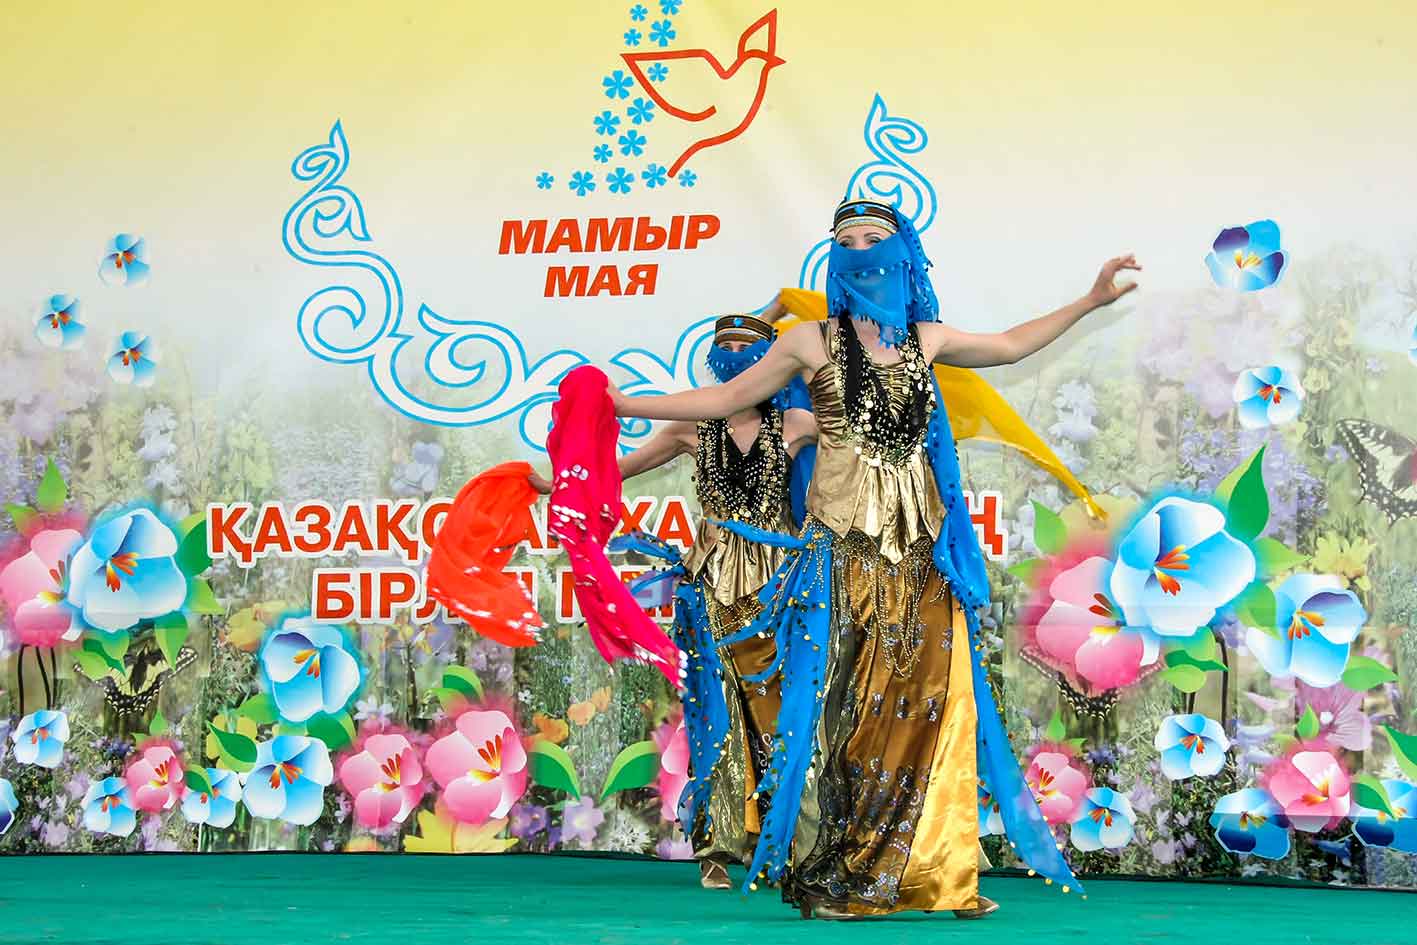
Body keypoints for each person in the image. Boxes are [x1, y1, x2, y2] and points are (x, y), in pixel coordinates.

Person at [604, 196, 1140, 920]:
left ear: (901, 254)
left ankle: (938, 873)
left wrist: (1090, 299)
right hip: (842, 557)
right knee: (849, 714)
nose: (859, 252)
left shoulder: (926, 338)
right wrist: (626, 405)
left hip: (920, 556)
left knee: (933, 703)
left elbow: (1012, 344)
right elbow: (726, 397)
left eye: (872, 239)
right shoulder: (808, 340)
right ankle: (852, 872)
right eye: (846, 241)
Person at [534, 314, 817, 889]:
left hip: (779, 585)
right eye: (724, 346)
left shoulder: (796, 422)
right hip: (709, 580)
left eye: (747, 346)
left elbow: (863, 450)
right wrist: (554, 483)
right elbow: (618, 470)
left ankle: (786, 841)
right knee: (714, 711)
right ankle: (716, 844)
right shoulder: (692, 427)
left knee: (781, 712)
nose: (735, 354)